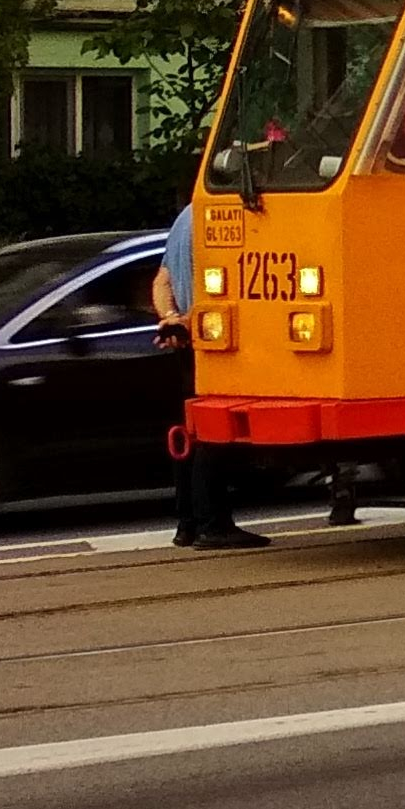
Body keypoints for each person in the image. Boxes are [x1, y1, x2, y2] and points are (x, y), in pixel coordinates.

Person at [152, 201, 262, 554]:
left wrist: (171, 316)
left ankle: (187, 523)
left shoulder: (185, 215)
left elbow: (162, 279)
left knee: (186, 434)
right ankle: (213, 524)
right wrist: (188, 321)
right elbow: (226, 288)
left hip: (186, 342)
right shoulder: (225, 214)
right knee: (211, 435)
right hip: (215, 342)